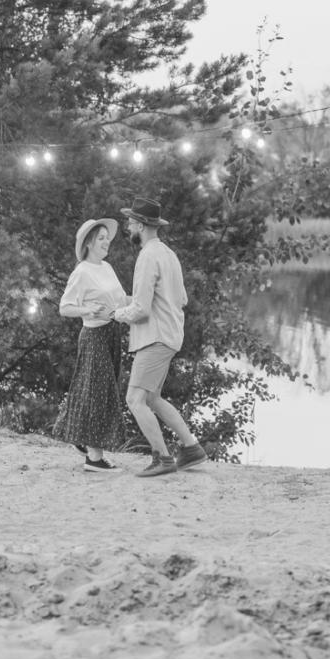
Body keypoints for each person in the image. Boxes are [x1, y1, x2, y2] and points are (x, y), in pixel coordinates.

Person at [112, 196, 207, 478]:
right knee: (152, 398)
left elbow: (141, 310)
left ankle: (163, 458)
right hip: (169, 335)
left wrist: (117, 314)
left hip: (155, 338)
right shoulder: (168, 254)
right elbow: (181, 298)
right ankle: (191, 448)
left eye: (131, 223)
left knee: (134, 399)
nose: (128, 227)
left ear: (141, 226)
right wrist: (128, 302)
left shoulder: (147, 256)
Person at [53, 218, 129, 472]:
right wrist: (88, 310)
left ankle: (80, 436)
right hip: (94, 336)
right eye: (101, 238)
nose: (107, 242)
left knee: (101, 391)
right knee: (97, 392)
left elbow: (121, 300)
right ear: (88, 243)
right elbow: (65, 307)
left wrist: (149, 299)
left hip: (113, 334)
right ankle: (94, 458)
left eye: (107, 237)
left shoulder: (107, 267)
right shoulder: (82, 272)